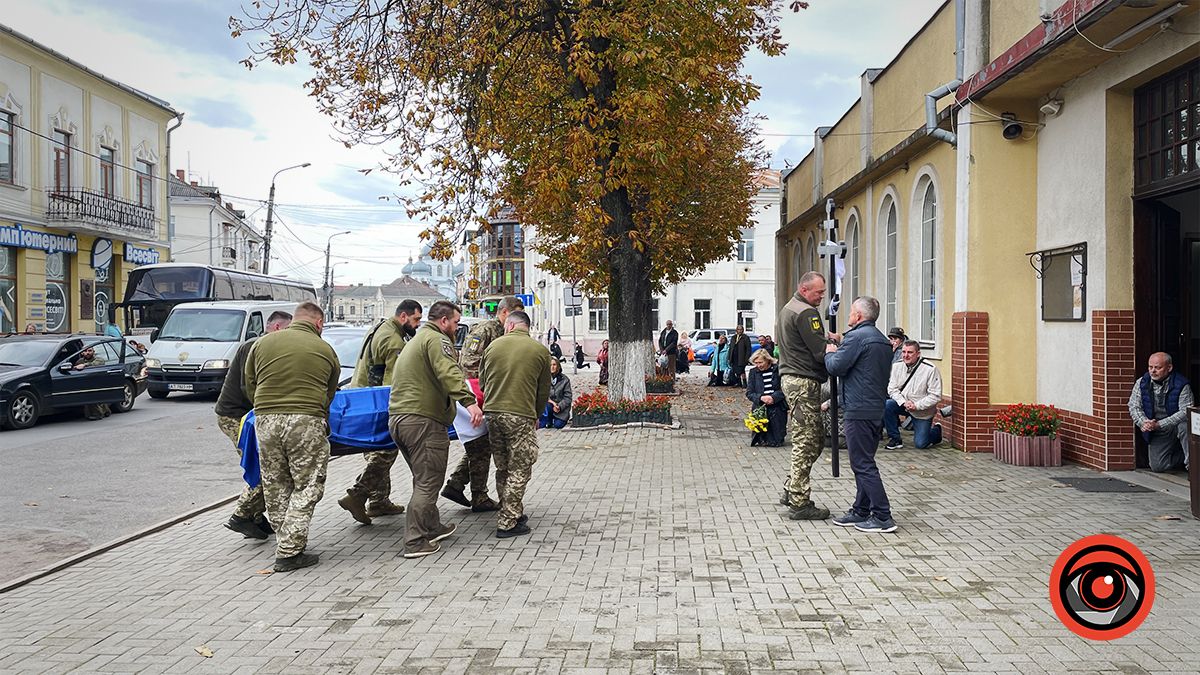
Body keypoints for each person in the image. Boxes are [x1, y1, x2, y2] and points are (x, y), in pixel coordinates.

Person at [243, 302, 341, 572]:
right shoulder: (325, 349)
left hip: (265, 419)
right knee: (307, 485)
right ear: (318, 323)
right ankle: (289, 551)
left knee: (275, 484)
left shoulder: (262, 344)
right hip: (306, 420)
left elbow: (249, 382)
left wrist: (267, 408)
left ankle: (285, 542)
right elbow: (330, 391)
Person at [390, 300, 483, 559]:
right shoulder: (437, 341)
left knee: (424, 477)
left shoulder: (418, 340)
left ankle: (431, 526)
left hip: (402, 418)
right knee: (429, 480)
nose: (456, 327)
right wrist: (469, 403)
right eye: (455, 322)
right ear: (444, 321)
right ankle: (415, 541)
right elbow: (449, 373)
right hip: (423, 421)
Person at [338, 300, 424, 524]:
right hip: (377, 402)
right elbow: (395, 383)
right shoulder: (394, 341)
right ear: (403, 317)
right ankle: (358, 494)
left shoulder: (379, 328)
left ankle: (378, 501)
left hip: (363, 397)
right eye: (416, 320)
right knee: (386, 451)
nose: (417, 325)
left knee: (378, 449)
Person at [214, 310, 292, 540]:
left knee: (268, 463)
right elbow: (252, 387)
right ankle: (242, 515)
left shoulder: (265, 346)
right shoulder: (254, 346)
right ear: (277, 328)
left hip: (249, 415)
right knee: (263, 466)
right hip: (236, 417)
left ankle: (256, 516)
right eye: (288, 330)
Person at [442, 296, 524, 511]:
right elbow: (469, 364)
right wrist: (481, 396)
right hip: (476, 396)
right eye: (514, 315)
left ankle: (457, 483)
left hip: (492, 395)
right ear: (504, 313)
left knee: (483, 443)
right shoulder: (485, 330)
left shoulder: (506, 333)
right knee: (479, 444)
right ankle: (477, 495)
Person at [826, 297, 897, 533]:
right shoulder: (881, 340)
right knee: (865, 460)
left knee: (862, 463)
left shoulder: (857, 337)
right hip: (874, 408)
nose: (848, 317)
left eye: (851, 312)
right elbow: (862, 360)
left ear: (858, 316)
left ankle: (882, 516)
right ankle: (861, 509)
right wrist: (842, 341)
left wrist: (830, 351)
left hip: (858, 408)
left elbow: (836, 366)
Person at [480, 310, 552, 538]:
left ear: (509, 325)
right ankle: (508, 522)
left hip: (491, 413)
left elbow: (482, 381)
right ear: (526, 327)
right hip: (520, 415)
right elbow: (543, 391)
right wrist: (536, 414)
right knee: (520, 468)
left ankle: (511, 509)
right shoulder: (540, 351)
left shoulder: (493, 347)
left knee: (503, 467)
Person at [776, 271, 831, 520]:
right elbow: (820, 350)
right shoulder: (807, 313)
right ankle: (799, 501)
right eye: (819, 292)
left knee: (815, 439)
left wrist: (829, 337)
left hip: (793, 380)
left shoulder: (790, 308)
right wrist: (832, 347)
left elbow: (805, 340)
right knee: (806, 441)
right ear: (805, 288)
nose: (822, 296)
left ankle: (792, 487)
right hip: (804, 382)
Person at [1128, 352, 1193, 472]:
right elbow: (1134, 406)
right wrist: (1144, 423)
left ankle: (1193, 467)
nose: (1153, 371)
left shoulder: (1182, 384)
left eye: (1157, 367)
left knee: (1186, 426)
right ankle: (1183, 456)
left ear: (1169, 368)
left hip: (1176, 425)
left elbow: (1186, 411)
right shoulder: (1142, 382)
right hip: (1157, 428)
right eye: (1150, 367)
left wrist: (1159, 424)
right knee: (1157, 466)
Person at [882, 340, 945, 450]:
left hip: (922, 411)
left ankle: (936, 431)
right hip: (904, 405)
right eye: (904, 352)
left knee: (921, 444)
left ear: (918, 354)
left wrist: (916, 405)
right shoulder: (897, 366)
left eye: (910, 352)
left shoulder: (930, 369)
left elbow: (935, 395)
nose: (906, 355)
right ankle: (895, 439)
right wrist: (903, 402)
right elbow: (892, 389)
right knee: (887, 405)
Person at [746, 349, 787, 447]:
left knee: (776, 440)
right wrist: (761, 398)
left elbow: (785, 389)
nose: (758, 365)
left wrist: (773, 397)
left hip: (777, 407)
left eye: (761, 362)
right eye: (756, 363)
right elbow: (749, 393)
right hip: (760, 407)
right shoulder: (753, 372)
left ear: (768, 360)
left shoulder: (778, 370)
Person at [72, 346, 111, 420]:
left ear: (93, 352)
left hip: (98, 382)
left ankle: (98, 414)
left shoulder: (99, 359)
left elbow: (97, 364)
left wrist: (84, 365)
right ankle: (105, 410)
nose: (87, 353)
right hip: (85, 382)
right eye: (85, 351)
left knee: (92, 395)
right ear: (82, 353)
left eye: (90, 350)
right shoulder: (79, 361)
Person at [539, 357, 572, 429]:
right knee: (546, 405)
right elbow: (541, 394)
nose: (552, 367)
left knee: (558, 425)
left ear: (558, 366)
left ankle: (558, 419)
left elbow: (568, 397)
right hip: (549, 406)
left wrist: (559, 406)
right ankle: (549, 420)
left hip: (561, 409)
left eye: (554, 365)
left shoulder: (565, 380)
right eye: (550, 365)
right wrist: (553, 403)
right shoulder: (544, 379)